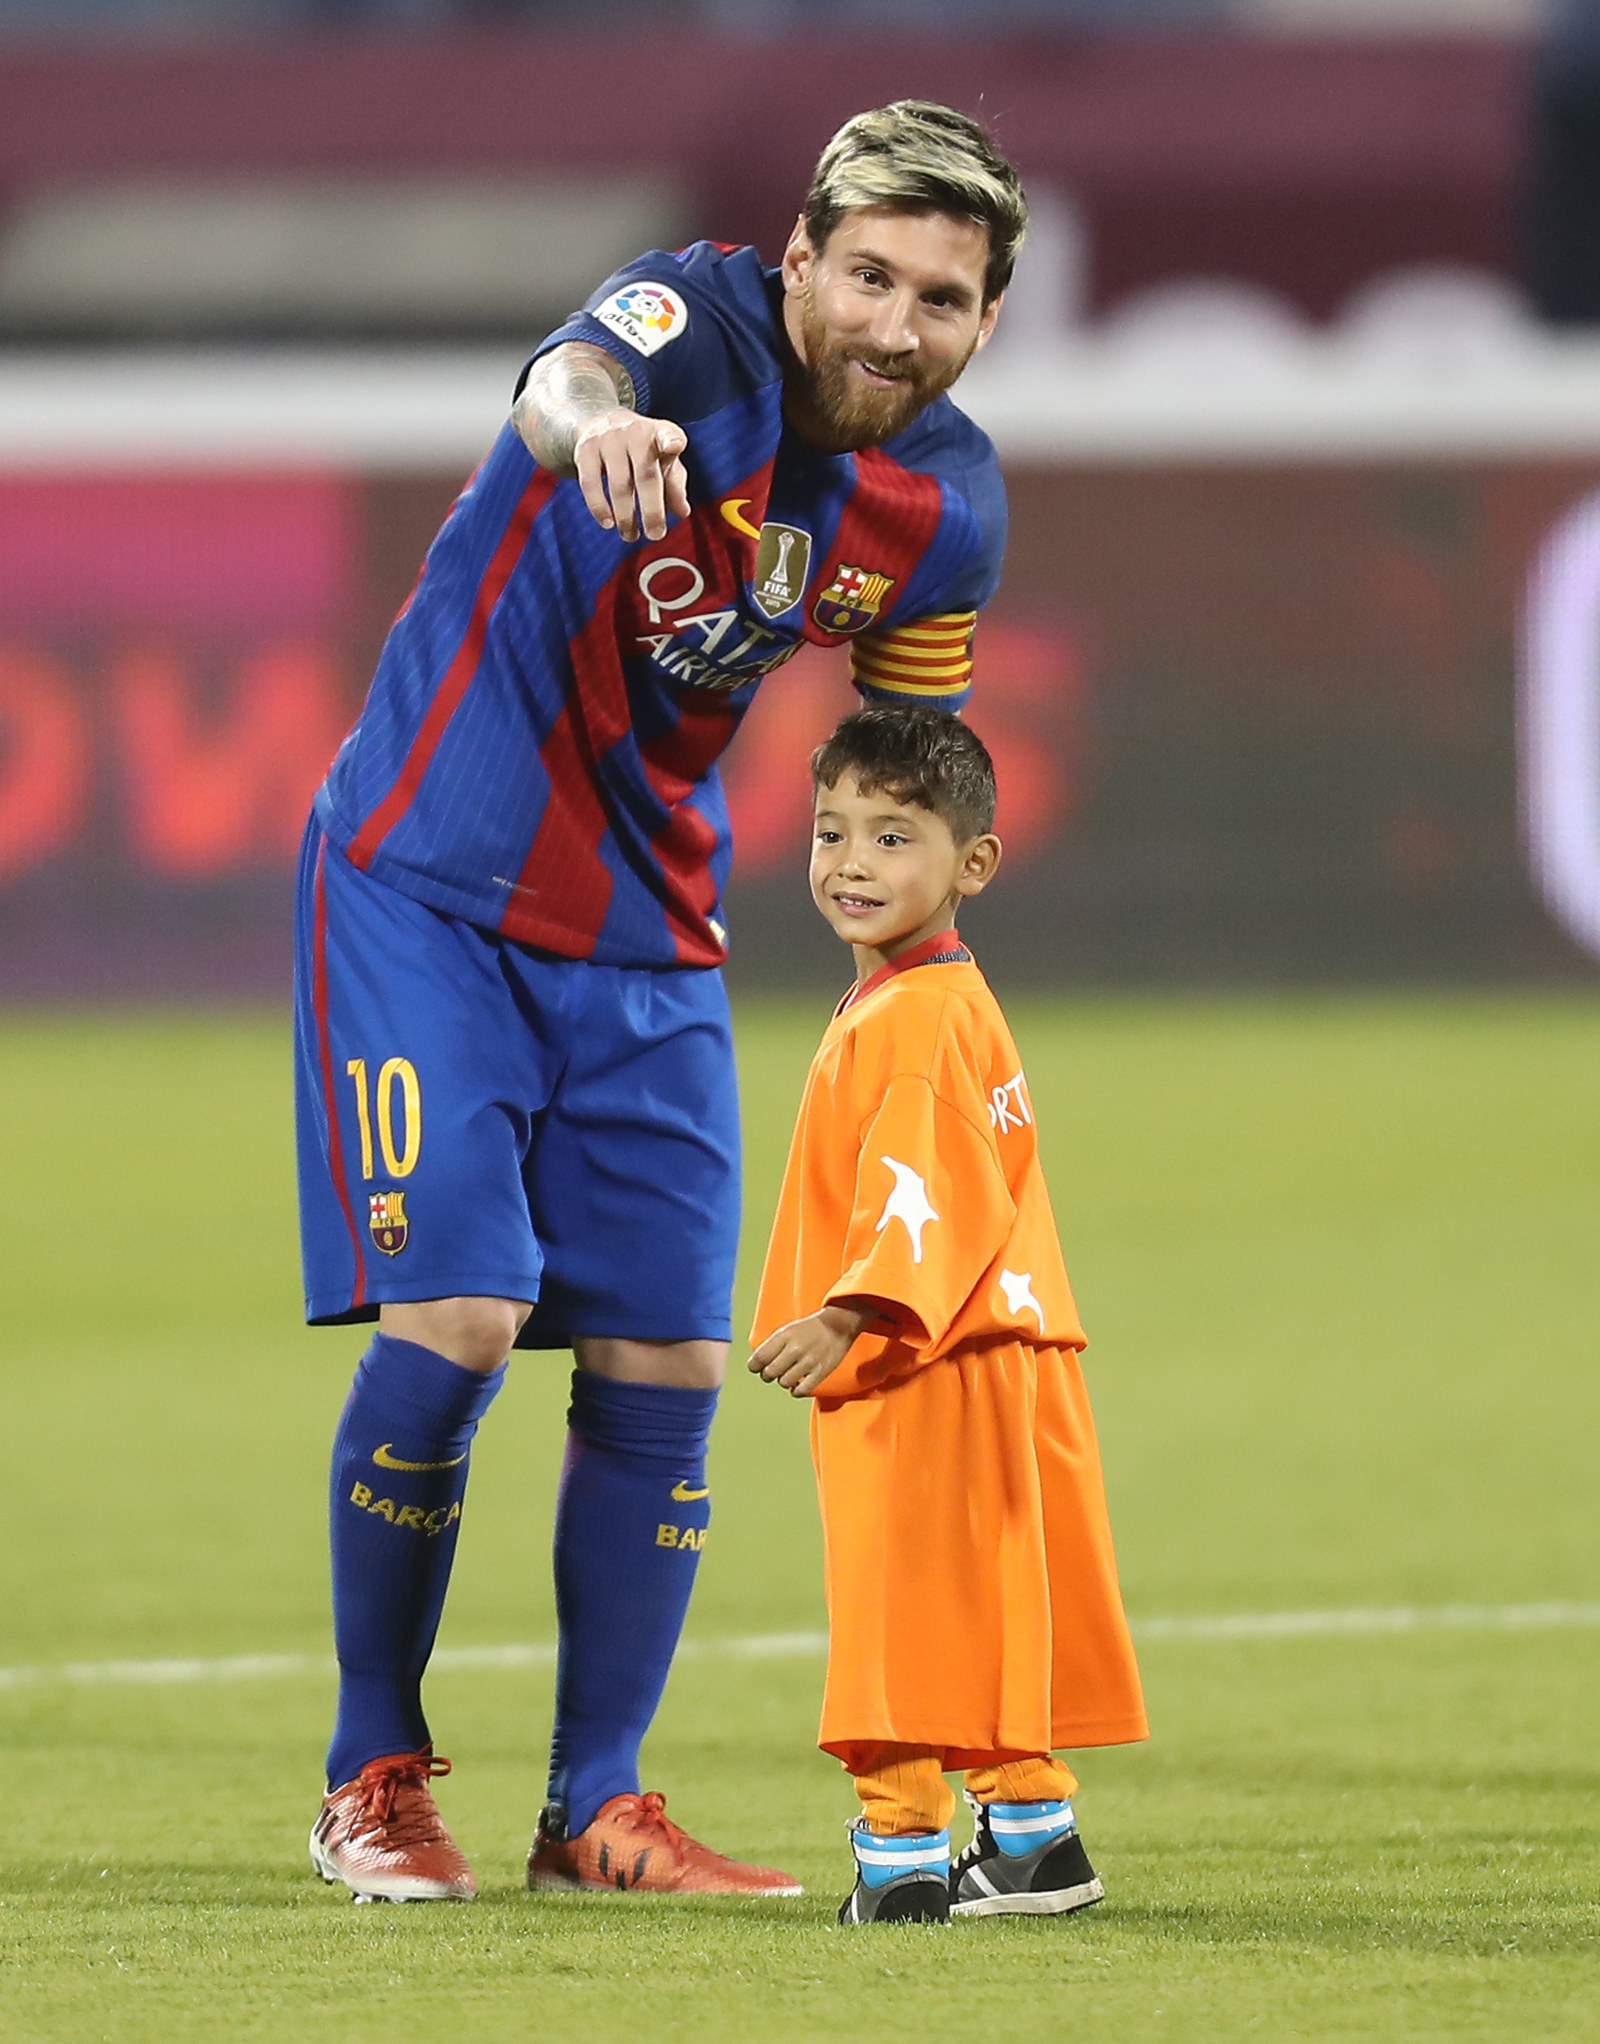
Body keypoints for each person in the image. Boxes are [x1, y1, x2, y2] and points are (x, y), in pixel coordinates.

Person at [296, 101, 1027, 1902]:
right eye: (867, 273)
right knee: (461, 1306)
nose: (892, 320)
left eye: (942, 295)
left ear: (986, 321)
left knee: (672, 1355)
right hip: (427, 876)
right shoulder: (679, 331)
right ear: (800, 258)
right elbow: (559, 379)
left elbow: (903, 759)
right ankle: (368, 1776)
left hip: (651, 924)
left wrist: (921, 996)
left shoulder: (951, 506)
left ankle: (595, 1808)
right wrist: (597, 429)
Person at [749, 706, 1147, 1925]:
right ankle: (1031, 1837)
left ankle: (904, 1856)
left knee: (902, 1603)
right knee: (988, 1599)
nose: (852, 863)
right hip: (1001, 1350)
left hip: (922, 1357)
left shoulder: (913, 1018)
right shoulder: (937, 995)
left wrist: (850, 1314)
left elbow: (923, 1188)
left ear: (972, 864)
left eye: (892, 836)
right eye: (831, 832)